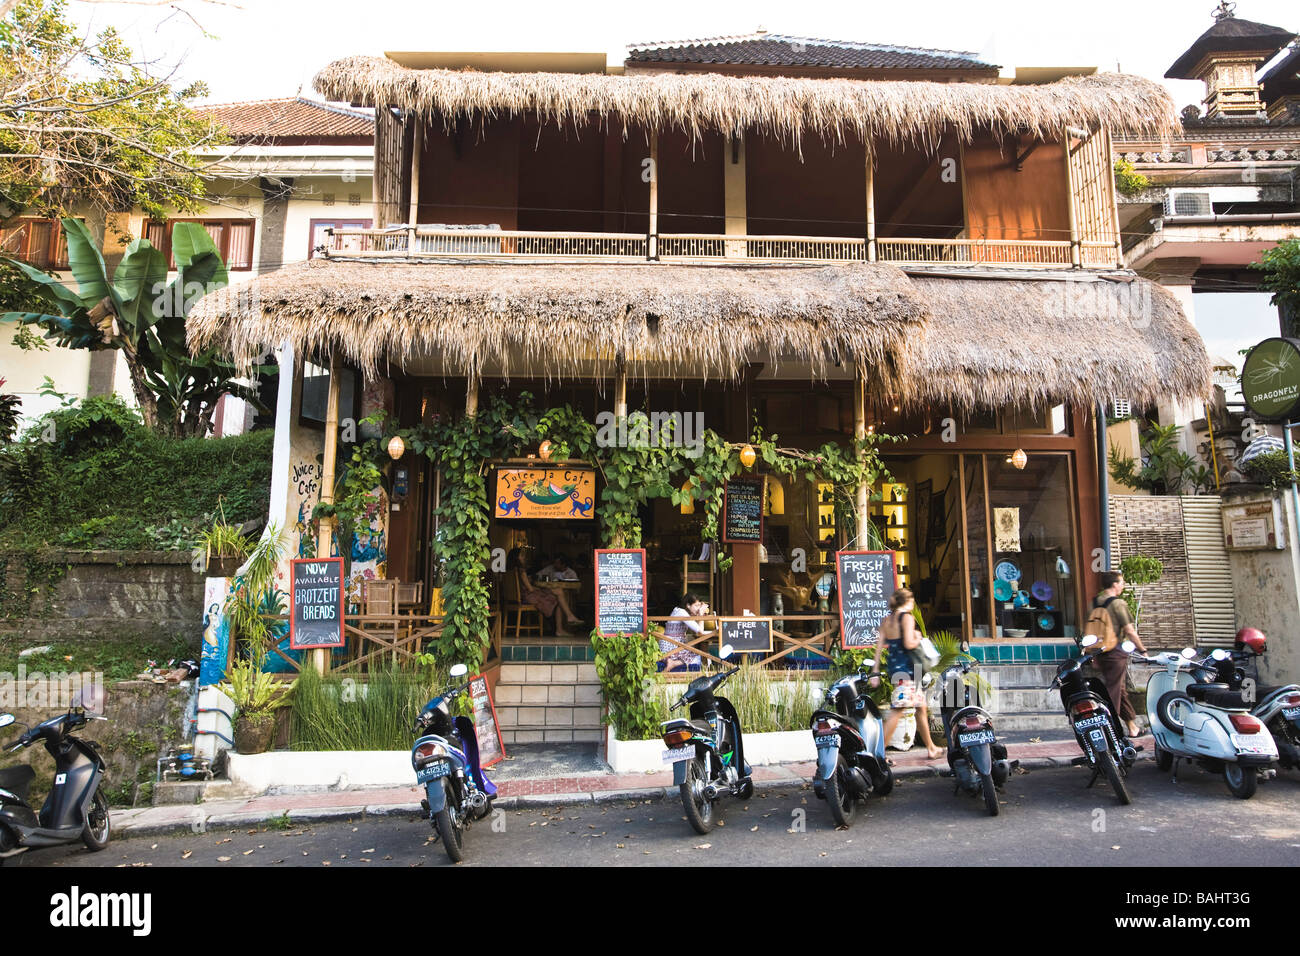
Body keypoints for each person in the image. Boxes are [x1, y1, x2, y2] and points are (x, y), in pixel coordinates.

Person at [867, 588, 944, 759]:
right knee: (897, 711)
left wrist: (875, 670)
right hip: (907, 672)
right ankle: (879, 754)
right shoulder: (907, 618)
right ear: (908, 601)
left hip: (896, 669)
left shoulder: (886, 620)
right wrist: (917, 636)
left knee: (920, 709)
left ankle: (931, 747)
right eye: (912, 600)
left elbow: (879, 646)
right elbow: (909, 644)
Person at [1091, 570, 1148, 738]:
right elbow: (1129, 630)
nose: (1123, 586)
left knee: (1120, 689)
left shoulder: (1096, 602)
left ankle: (1132, 727)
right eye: (1121, 583)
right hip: (1115, 651)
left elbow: (1091, 630)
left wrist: (1093, 653)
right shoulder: (1118, 604)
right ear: (1114, 584)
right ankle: (1107, 730)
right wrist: (1142, 650)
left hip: (1100, 651)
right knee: (1113, 691)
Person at [507, 547, 583, 636]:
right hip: (529, 597)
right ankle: (564, 624)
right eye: (522, 556)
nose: (524, 558)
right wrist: (542, 589)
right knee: (559, 595)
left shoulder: (510, 571)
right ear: (516, 558)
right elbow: (530, 589)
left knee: (558, 593)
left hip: (522, 597)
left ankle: (568, 619)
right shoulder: (521, 571)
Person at [660, 593, 713, 672]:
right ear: (688, 605)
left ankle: (673, 662)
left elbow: (697, 629)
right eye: (696, 605)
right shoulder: (681, 613)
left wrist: (699, 615)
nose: (698, 608)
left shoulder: (679, 611)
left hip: (672, 646)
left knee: (704, 656)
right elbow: (700, 632)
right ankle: (673, 663)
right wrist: (701, 614)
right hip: (670, 647)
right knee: (702, 658)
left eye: (699, 605)